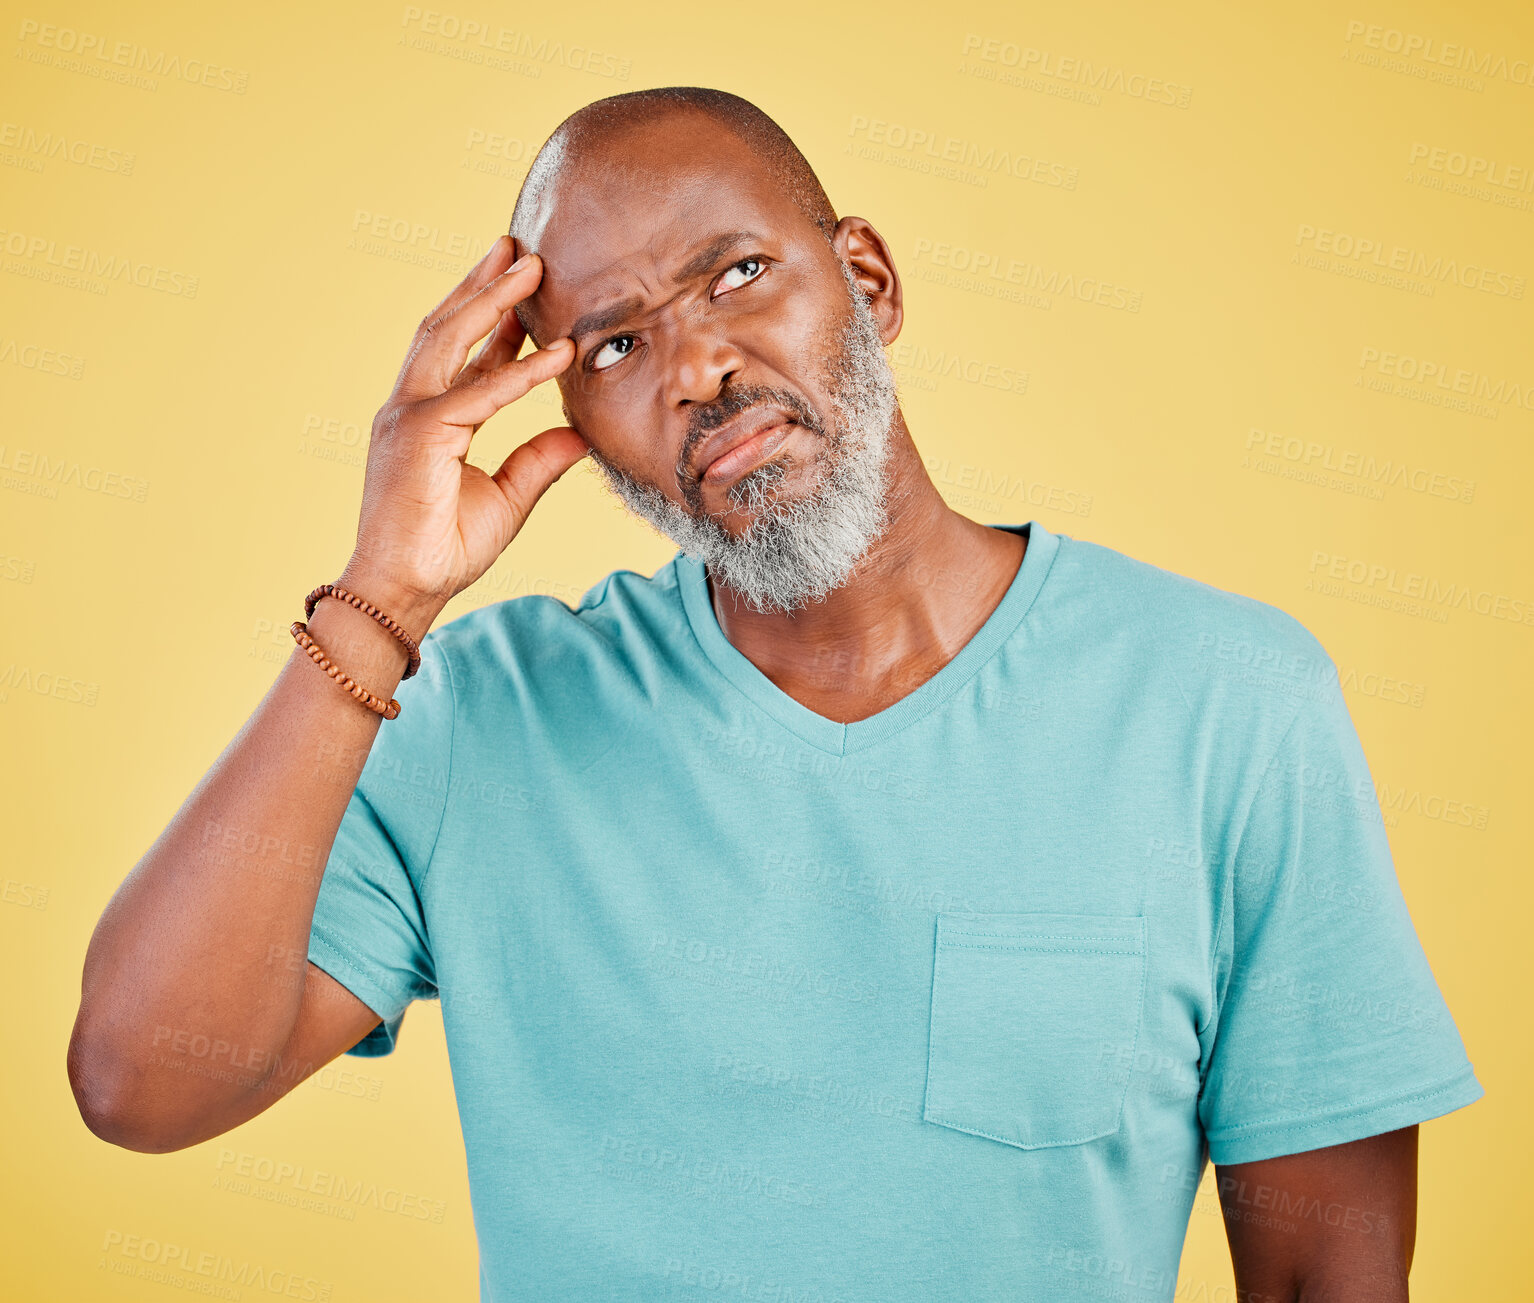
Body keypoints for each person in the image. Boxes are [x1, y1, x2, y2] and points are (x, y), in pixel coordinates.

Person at [69, 86, 1483, 1301]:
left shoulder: (1223, 702)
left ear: (865, 278)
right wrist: (382, 599)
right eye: (613, 345)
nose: (696, 367)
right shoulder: (479, 720)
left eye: (737, 274)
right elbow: (142, 1083)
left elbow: (1325, 1271)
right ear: (568, 421)